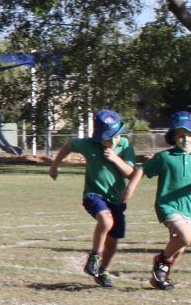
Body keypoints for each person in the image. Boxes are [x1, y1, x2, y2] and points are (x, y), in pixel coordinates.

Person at [124, 111, 191, 291]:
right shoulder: (165, 157)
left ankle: (160, 278)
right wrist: (130, 189)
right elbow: (142, 169)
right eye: (181, 135)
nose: (186, 139)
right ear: (173, 137)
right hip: (167, 207)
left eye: (190, 135)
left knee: (179, 247)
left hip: (188, 210)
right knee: (186, 237)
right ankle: (161, 261)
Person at [47, 109, 137, 286]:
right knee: (105, 220)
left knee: (113, 239)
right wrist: (54, 166)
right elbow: (68, 146)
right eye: (107, 138)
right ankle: (95, 255)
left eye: (115, 136)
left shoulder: (125, 145)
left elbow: (131, 173)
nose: (112, 141)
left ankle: (103, 272)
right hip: (93, 195)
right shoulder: (88, 144)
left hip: (117, 199)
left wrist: (115, 159)